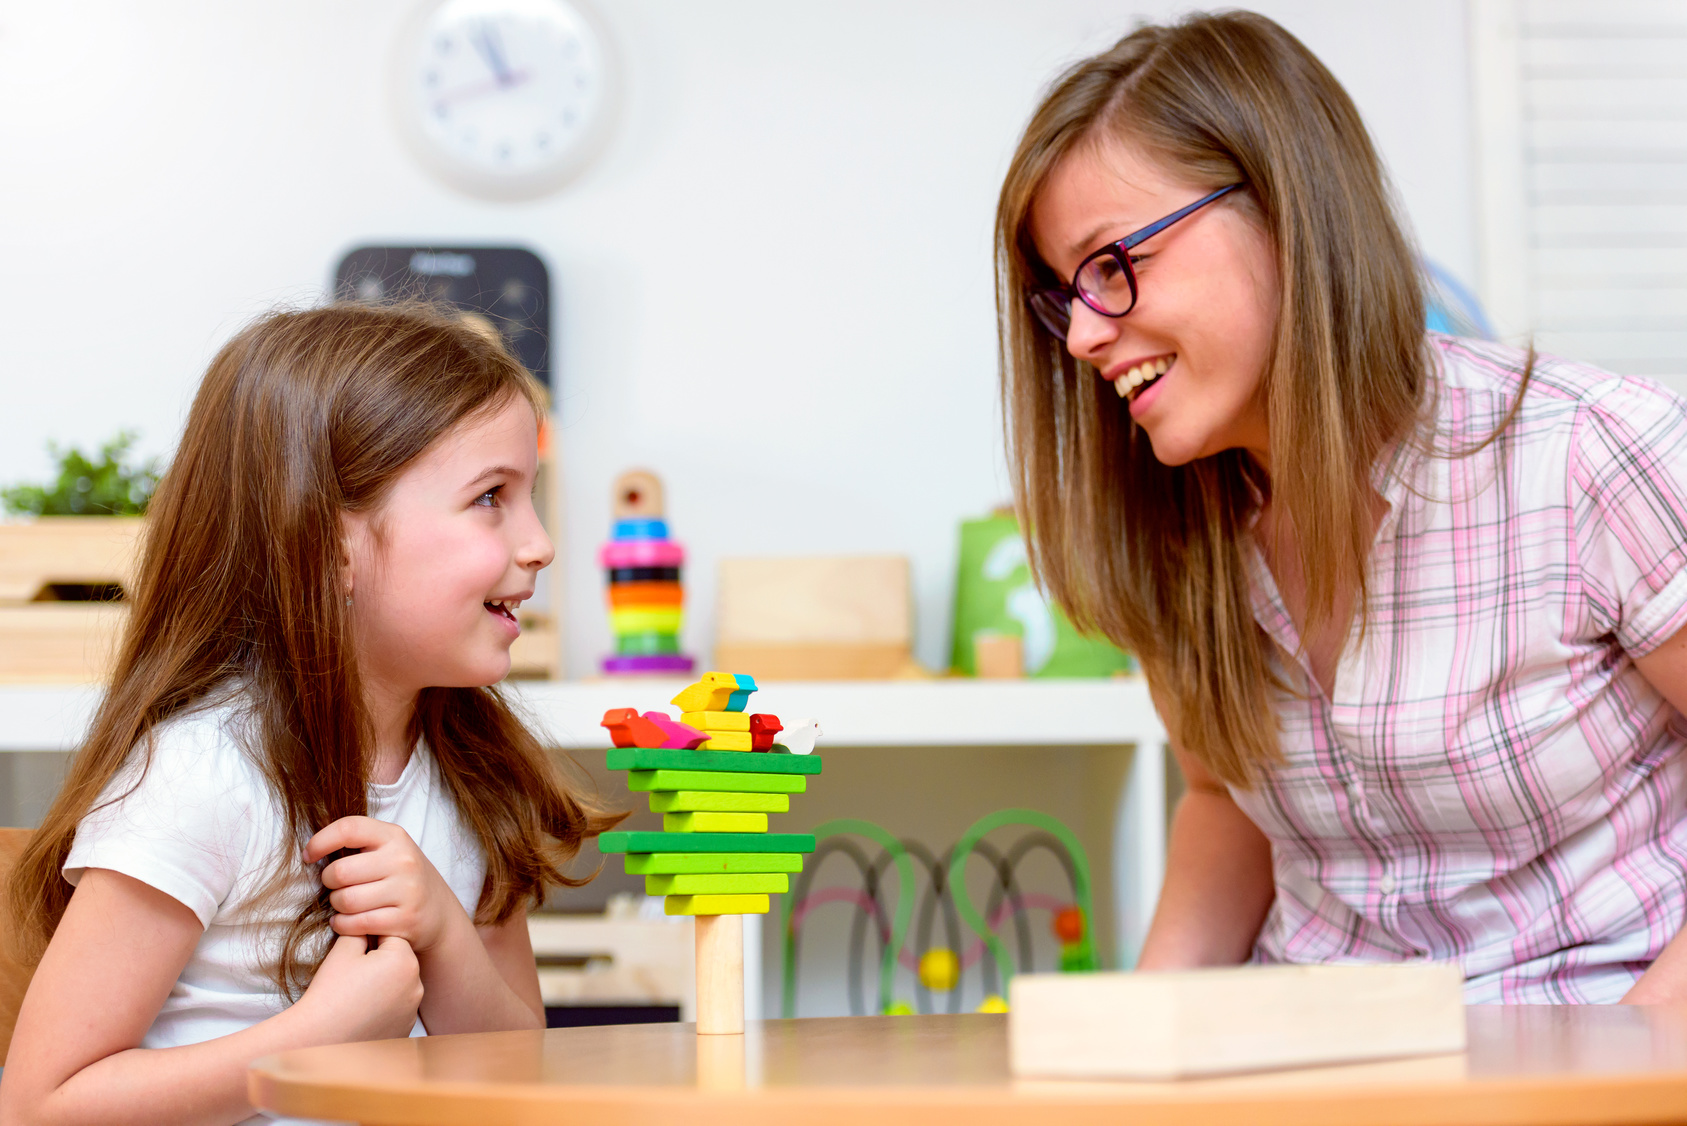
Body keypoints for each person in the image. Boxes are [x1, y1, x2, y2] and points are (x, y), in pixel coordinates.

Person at [996, 11, 1687, 1003]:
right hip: (1320, 1066)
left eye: (1111, 266)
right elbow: (1223, 803)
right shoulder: (1169, 530)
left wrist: (1629, 1056)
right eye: (1065, 296)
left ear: (1281, 206)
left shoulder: (1586, 453)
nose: (1080, 340)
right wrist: (1126, 1046)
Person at [0, 304, 622, 1124]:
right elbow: (41, 1106)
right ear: (332, 548)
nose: (539, 542)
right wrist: (315, 1039)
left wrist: (442, 929)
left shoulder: (471, 769)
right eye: (490, 498)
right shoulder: (201, 777)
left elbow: (516, 1074)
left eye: (527, 495)